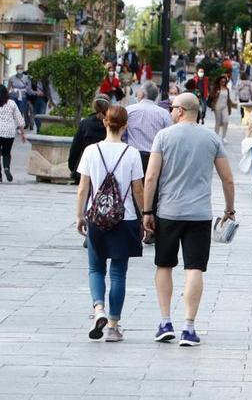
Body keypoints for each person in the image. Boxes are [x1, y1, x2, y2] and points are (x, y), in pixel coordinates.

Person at [142, 93, 236, 347]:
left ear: (181, 110)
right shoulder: (211, 138)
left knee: (164, 265)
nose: (170, 112)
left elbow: (150, 177)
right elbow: (227, 178)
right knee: (194, 267)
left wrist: (147, 211)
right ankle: (189, 327)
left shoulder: (163, 137)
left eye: (173, 108)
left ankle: (165, 322)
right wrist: (229, 209)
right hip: (200, 214)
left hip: (168, 212)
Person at [74, 105, 144, 342]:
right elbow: (137, 189)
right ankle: (113, 326)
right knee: (118, 273)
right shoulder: (132, 153)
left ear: (105, 122)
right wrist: (145, 214)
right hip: (124, 218)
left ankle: (98, 310)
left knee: (95, 268)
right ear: (125, 126)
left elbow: (83, 187)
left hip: (97, 218)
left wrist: (79, 215)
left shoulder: (91, 151)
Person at [125, 82, 172, 173]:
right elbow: (168, 137)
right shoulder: (164, 113)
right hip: (155, 156)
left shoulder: (129, 110)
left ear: (142, 94)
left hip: (132, 155)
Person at [69, 95, 110, 183]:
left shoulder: (85, 123)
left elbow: (76, 147)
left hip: (85, 167)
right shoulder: (112, 124)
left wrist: (73, 167)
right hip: (107, 168)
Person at [0, 84, 27, 182]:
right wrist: (22, 133)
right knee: (6, 153)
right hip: (9, 132)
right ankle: (6, 168)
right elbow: (19, 119)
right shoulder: (11, 103)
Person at [208, 75, 235, 142]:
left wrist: (233, 105)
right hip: (217, 107)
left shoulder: (227, 89)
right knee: (218, 122)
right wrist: (215, 94)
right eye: (222, 81)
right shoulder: (216, 88)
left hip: (225, 107)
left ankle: (223, 137)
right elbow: (211, 96)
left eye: (225, 81)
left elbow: (228, 99)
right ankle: (216, 136)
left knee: (226, 121)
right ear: (219, 81)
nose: (223, 82)